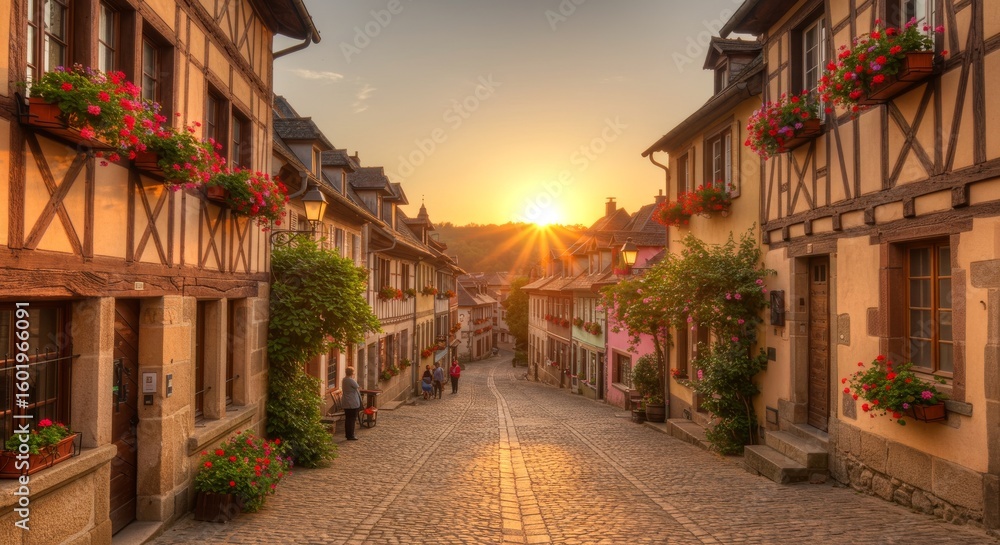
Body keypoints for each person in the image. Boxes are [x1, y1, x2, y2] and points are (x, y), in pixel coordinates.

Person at [341, 367, 362, 441]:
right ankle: (351, 435)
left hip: (347, 401)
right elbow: (357, 387)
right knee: (352, 419)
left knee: (348, 419)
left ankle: (348, 434)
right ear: (352, 373)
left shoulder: (344, 379)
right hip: (351, 402)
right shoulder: (350, 380)